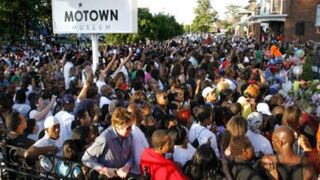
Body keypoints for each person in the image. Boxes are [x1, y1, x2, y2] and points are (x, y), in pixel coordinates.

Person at [82, 107, 133, 179]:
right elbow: (86, 159)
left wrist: (127, 166)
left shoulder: (129, 135)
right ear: (118, 126)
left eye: (131, 126)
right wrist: (104, 169)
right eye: (128, 128)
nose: (131, 130)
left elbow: (131, 155)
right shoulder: (105, 138)